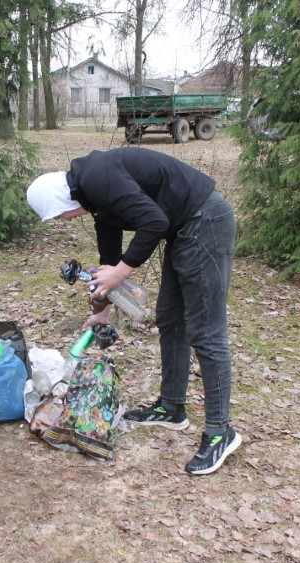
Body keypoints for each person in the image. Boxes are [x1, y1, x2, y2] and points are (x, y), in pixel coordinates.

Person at [26, 146, 241, 475]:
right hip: (184, 228)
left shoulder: (97, 179)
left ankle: (220, 432)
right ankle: (171, 408)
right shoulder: (94, 196)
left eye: (57, 216)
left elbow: (154, 222)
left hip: (204, 221)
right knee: (171, 319)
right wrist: (102, 309)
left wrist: (122, 272)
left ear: (59, 202)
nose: (62, 221)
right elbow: (109, 261)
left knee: (206, 331)